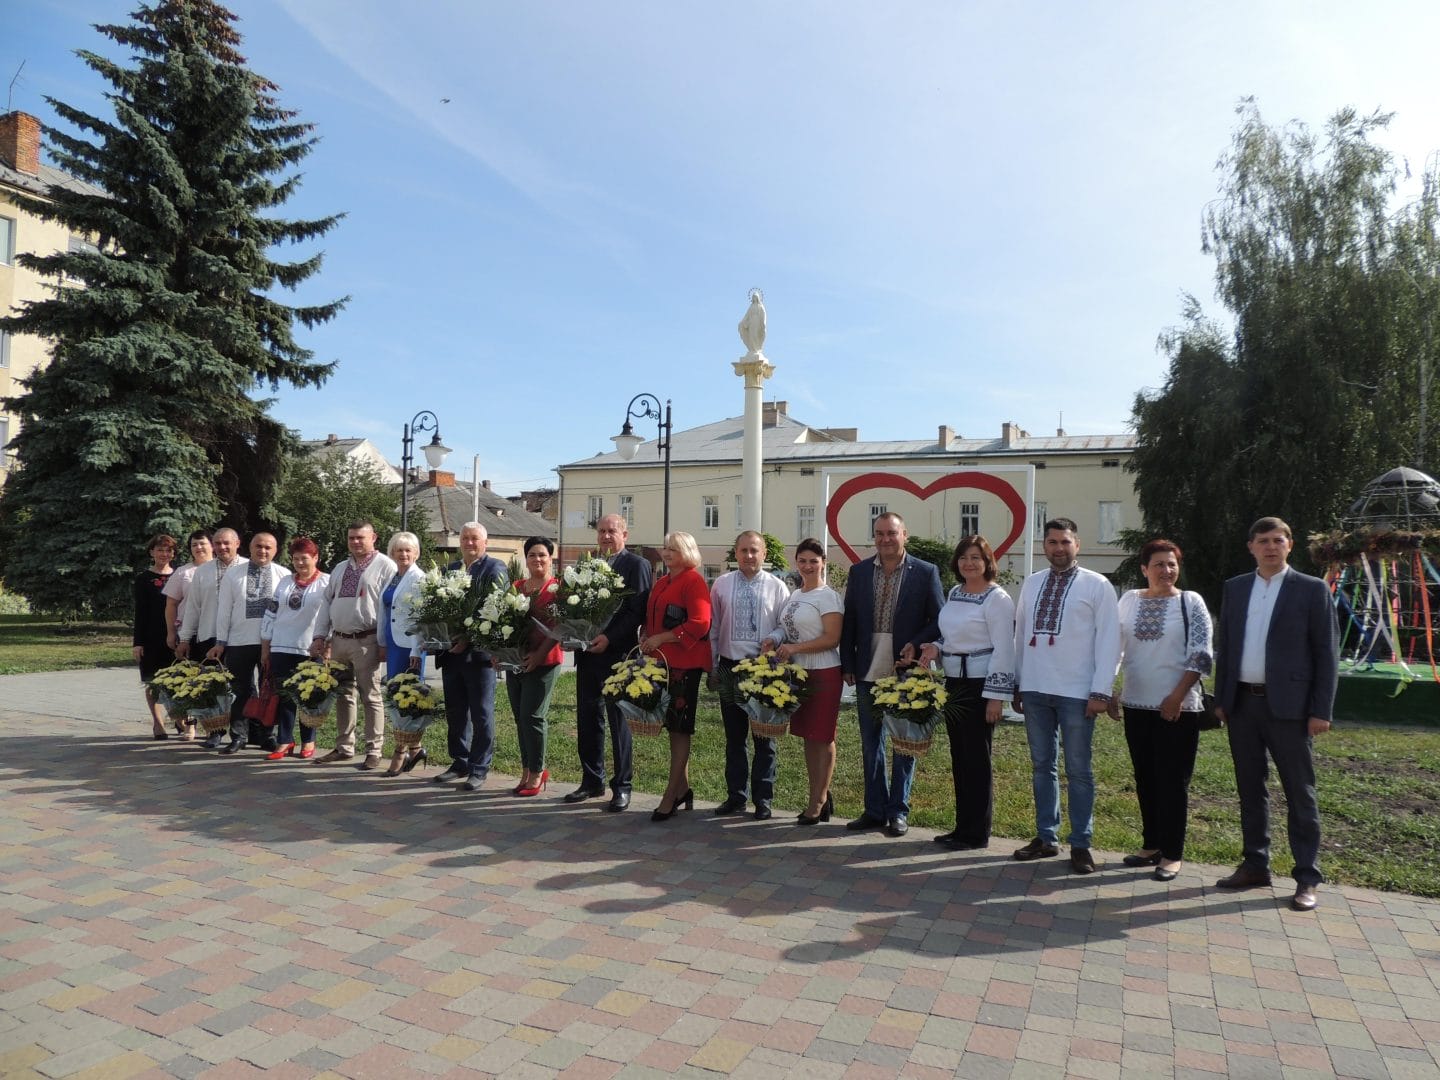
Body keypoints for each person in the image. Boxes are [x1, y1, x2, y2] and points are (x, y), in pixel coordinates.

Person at [1213, 516, 1339, 912]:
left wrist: (1321, 709)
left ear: (1290, 544)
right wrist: (1222, 698)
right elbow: (1227, 646)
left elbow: (1326, 653)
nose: (1270, 546)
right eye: (1263, 540)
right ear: (1251, 546)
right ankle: (1255, 864)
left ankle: (1306, 877)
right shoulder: (1236, 588)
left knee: (1300, 793)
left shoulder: (1311, 589)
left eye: (1278, 540)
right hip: (1243, 705)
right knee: (1250, 789)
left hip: (1291, 710)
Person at [1012, 517, 1121, 874]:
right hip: (1036, 688)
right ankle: (1047, 837)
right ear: (1044, 545)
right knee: (1042, 766)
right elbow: (1020, 634)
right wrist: (1017, 682)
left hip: (1077, 692)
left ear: (1077, 544)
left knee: (1079, 770)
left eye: (1065, 542)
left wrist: (1101, 690)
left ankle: (1081, 843)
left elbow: (1110, 641)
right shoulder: (1032, 583)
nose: (1059, 548)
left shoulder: (1097, 585)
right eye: (1052, 542)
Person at [1107, 539, 1213, 882]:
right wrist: (1108, 688)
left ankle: (1172, 853)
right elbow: (1115, 649)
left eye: (1172, 564)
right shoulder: (1129, 600)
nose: (1166, 571)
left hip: (1178, 707)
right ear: (1144, 569)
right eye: (1159, 564)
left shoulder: (1190, 601)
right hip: (1137, 704)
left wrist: (1177, 695)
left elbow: (1201, 654)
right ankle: (1151, 844)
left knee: (1173, 781)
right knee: (1146, 778)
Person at [838, 511, 944, 838]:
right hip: (868, 667)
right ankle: (874, 810)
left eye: (892, 533)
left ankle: (898, 810)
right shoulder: (858, 572)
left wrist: (915, 642)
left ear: (904, 535)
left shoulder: (925, 573)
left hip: (905, 669)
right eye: (880, 533)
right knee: (871, 743)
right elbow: (851, 621)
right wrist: (848, 664)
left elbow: (939, 618)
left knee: (903, 743)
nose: (885, 539)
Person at [919, 535, 1017, 852]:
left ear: (988, 561)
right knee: (960, 757)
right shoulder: (955, 592)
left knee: (977, 759)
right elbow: (953, 637)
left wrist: (995, 697)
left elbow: (1004, 649)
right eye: (963, 558)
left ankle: (977, 832)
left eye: (976, 557)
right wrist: (936, 647)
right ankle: (962, 826)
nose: (969, 563)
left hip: (980, 685)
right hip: (954, 684)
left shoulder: (997, 599)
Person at [566, 514, 652, 811]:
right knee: (588, 719)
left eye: (611, 531)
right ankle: (591, 781)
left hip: (618, 656)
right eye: (601, 531)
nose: (605, 536)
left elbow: (635, 611)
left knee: (619, 723)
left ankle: (622, 786)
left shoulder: (637, 565)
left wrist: (609, 639)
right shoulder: (587, 564)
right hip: (587, 654)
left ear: (624, 534)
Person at [762, 538, 844, 826]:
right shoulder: (795, 595)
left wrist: (795, 649)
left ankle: (819, 801)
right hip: (799, 675)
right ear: (796, 562)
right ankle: (817, 795)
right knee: (808, 738)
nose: (808, 566)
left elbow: (832, 638)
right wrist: (775, 639)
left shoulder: (828, 596)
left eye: (813, 560)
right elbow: (788, 629)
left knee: (822, 737)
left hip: (823, 673)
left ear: (823, 562)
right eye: (802, 560)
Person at [710, 530, 790, 820]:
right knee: (735, 738)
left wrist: (773, 638)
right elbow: (714, 628)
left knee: (764, 738)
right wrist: (713, 666)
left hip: (763, 671)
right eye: (743, 550)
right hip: (730, 668)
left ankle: (764, 799)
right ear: (736, 553)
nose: (749, 556)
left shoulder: (778, 587)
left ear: (764, 554)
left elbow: (785, 626)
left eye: (755, 550)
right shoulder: (721, 584)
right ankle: (736, 796)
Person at [310, 521, 397, 770]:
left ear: (374, 538)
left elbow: (388, 608)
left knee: (371, 696)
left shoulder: (385, 566)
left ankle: (374, 750)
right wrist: (320, 636)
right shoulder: (340, 567)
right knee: (343, 695)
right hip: (339, 640)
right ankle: (344, 747)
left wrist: (383, 643)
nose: (356, 542)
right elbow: (326, 603)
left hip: (367, 639)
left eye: (360, 537)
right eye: (351, 538)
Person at [429, 522, 507, 792]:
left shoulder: (494, 568)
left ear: (485, 542)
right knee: (455, 711)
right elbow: (438, 607)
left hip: (479, 655)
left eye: (475, 539)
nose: (469, 543)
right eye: (465, 538)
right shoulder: (449, 570)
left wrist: (467, 639)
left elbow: (494, 608)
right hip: (451, 654)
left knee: (481, 714)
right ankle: (459, 761)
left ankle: (479, 767)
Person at [642, 531, 712, 822]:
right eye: (665, 548)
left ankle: (671, 795)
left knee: (680, 729)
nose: (667, 553)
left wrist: (663, 638)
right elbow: (652, 619)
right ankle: (682, 789)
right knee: (672, 728)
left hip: (685, 665)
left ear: (687, 552)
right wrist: (648, 636)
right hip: (663, 664)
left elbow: (700, 623)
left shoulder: (693, 580)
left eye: (673, 549)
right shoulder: (662, 581)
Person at [209, 533, 290, 755]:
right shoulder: (233, 575)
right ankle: (238, 736)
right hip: (239, 641)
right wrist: (220, 642)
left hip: (273, 644)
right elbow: (224, 610)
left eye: (267, 547)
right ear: (249, 547)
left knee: (269, 690)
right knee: (239, 691)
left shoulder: (284, 575)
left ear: (275, 550)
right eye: (258, 546)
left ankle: (266, 736)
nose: (262, 551)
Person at [175, 527, 247, 748]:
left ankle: (239, 735)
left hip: (238, 637)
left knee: (239, 687)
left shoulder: (248, 568)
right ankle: (214, 732)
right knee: (209, 685)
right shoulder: (203, 572)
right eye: (217, 543)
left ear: (237, 543)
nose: (222, 547)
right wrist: (185, 638)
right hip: (208, 635)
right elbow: (193, 608)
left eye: (227, 543)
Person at [261, 537, 330, 761]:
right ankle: (285, 740)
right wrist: (265, 644)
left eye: (305, 558)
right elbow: (271, 614)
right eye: (296, 559)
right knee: (285, 697)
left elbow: (332, 617)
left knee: (309, 697)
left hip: (310, 649)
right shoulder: (284, 582)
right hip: (281, 646)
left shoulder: (326, 583)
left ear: (316, 558)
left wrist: (327, 644)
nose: (300, 563)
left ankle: (308, 740)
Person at [507, 536, 563, 796]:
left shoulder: (558, 589)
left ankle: (538, 772)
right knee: (520, 718)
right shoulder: (517, 587)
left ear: (550, 558)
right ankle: (527, 768)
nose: (537, 559)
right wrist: (501, 653)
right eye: (532, 555)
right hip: (516, 662)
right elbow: (503, 624)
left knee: (533, 716)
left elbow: (559, 628)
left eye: (542, 555)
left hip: (545, 662)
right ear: (525, 559)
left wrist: (539, 655)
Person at [133, 533, 177, 740]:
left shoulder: (180, 575)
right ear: (151, 552)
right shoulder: (143, 579)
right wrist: (138, 643)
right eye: (160, 549)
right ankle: (158, 724)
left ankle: (181, 719)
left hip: (176, 636)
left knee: (179, 681)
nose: (164, 553)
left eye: (168, 550)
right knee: (153, 681)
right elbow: (140, 613)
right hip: (151, 637)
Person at [382, 532, 426, 680]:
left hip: (409, 644)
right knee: (393, 688)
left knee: (408, 692)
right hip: (392, 640)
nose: (404, 554)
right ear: (392, 553)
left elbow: (421, 616)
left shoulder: (418, 578)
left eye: (408, 550)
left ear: (416, 553)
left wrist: (416, 650)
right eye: (399, 550)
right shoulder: (393, 577)